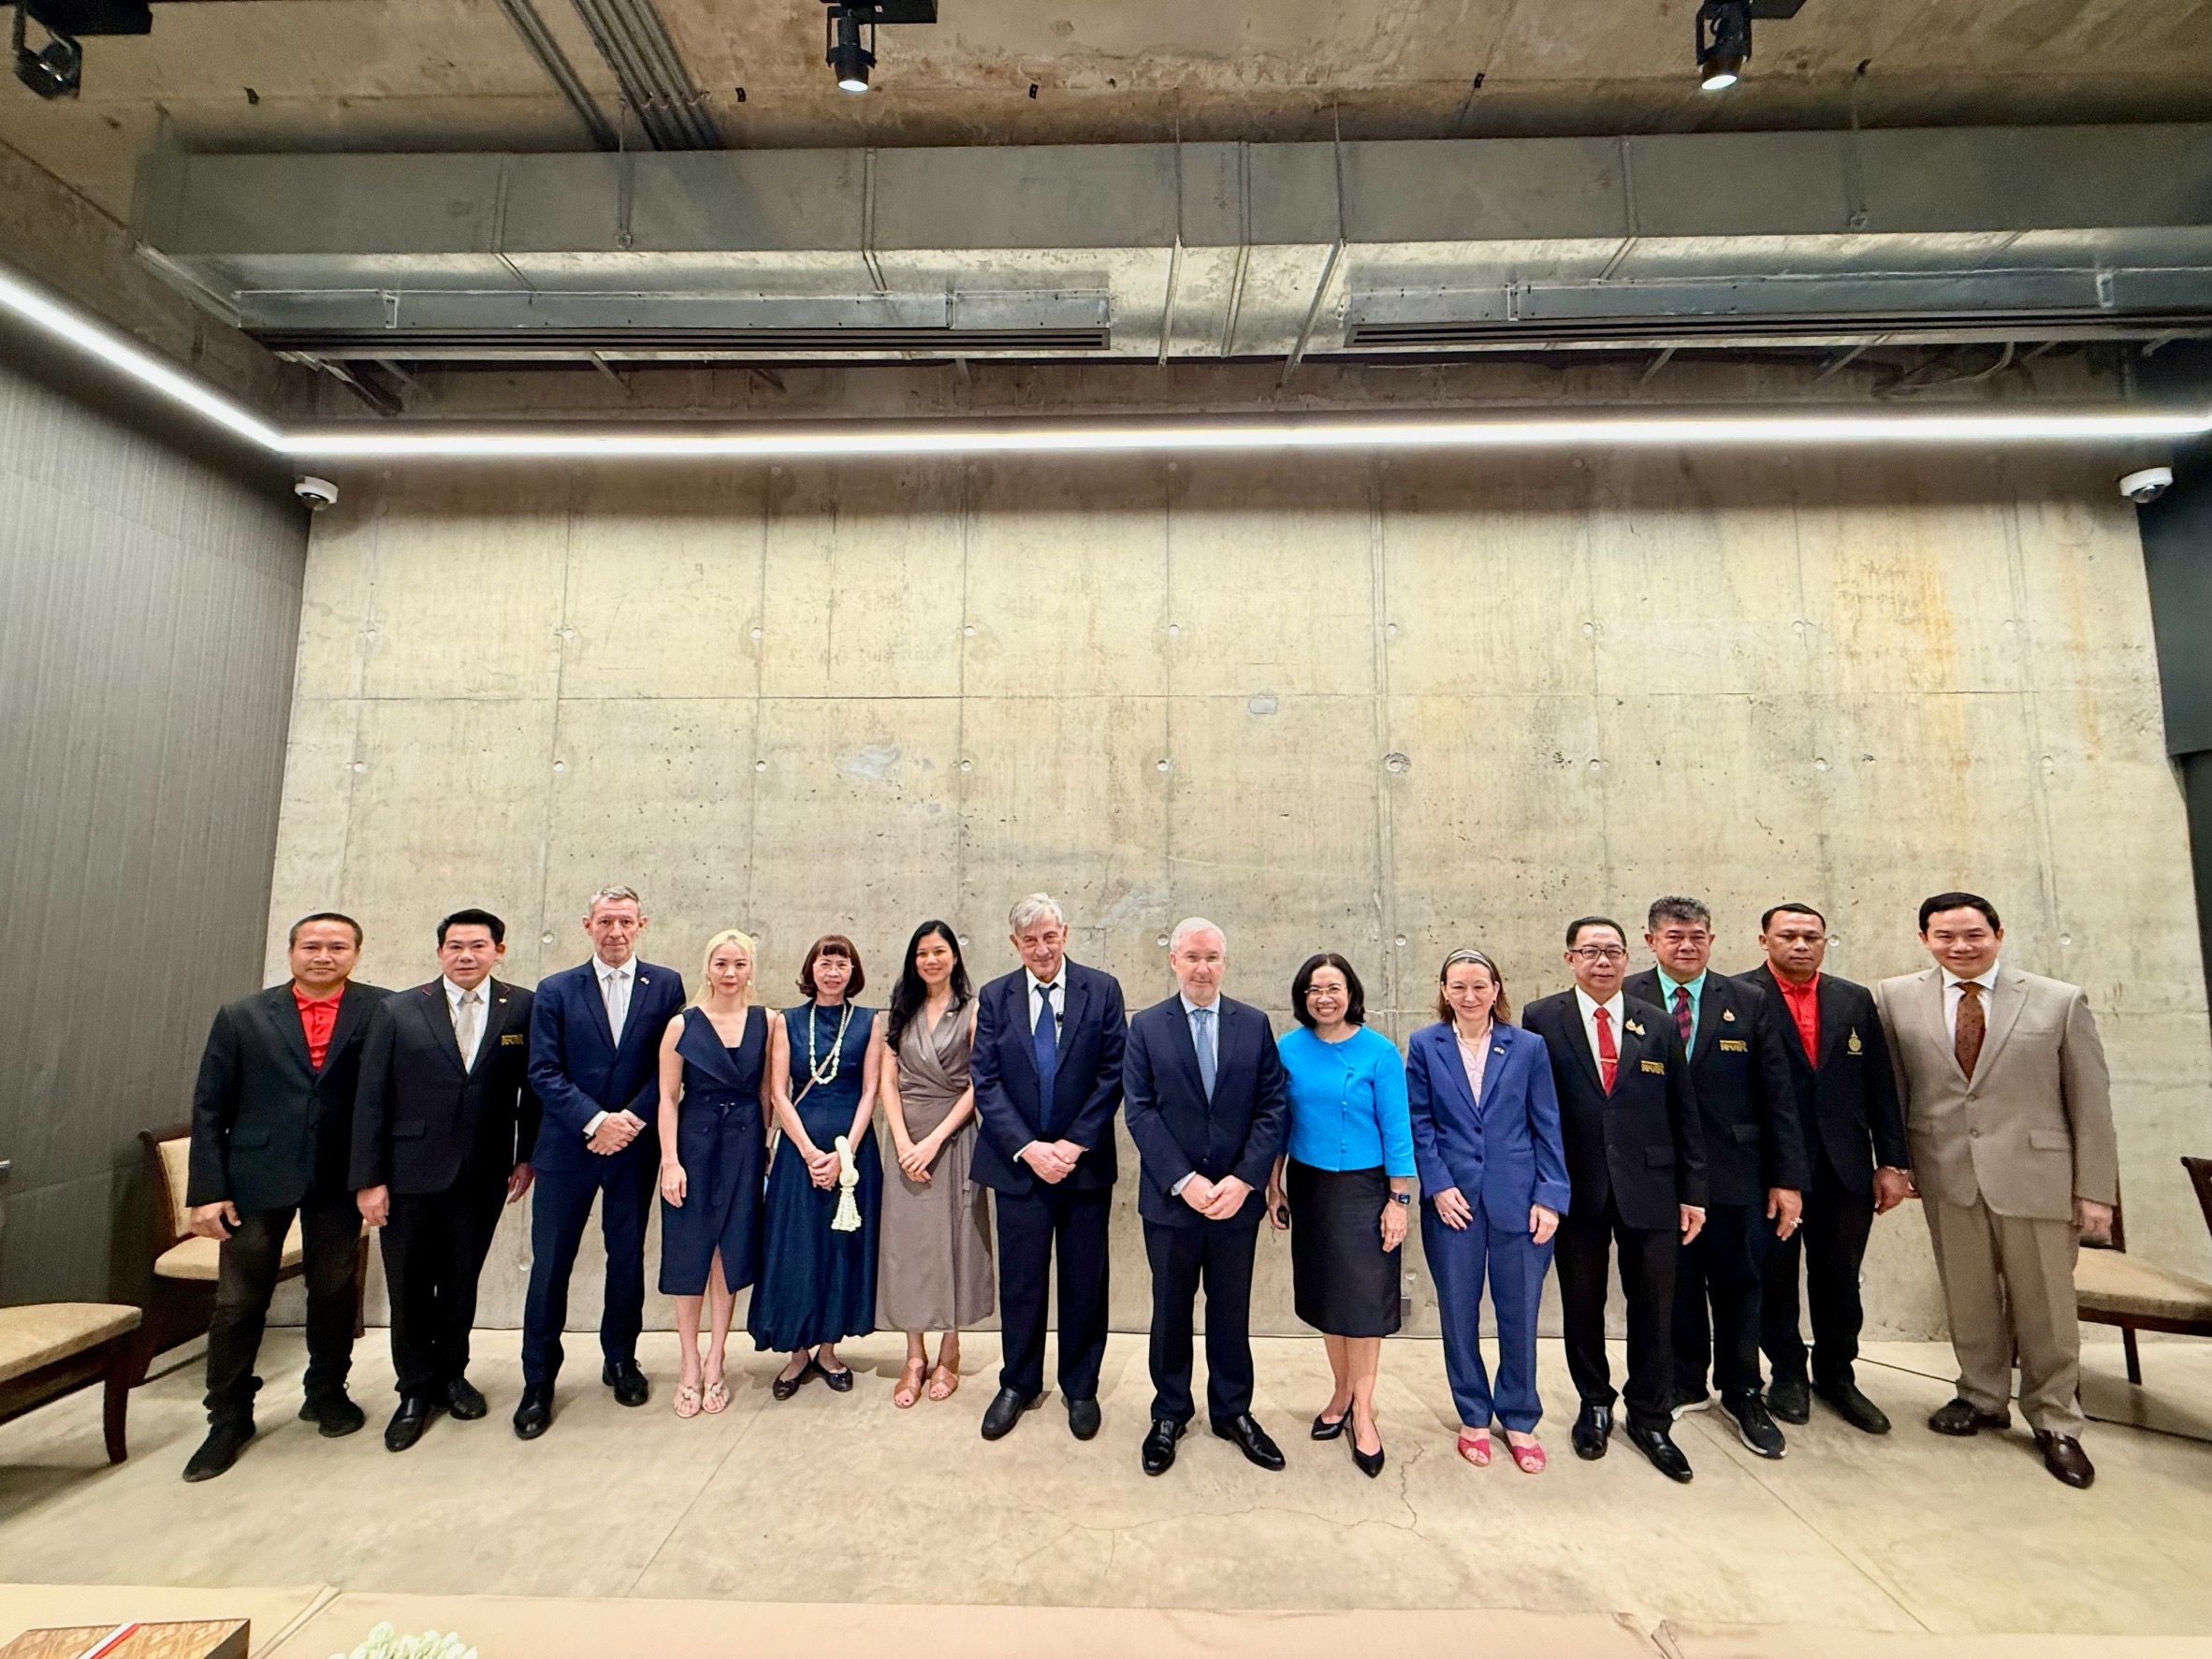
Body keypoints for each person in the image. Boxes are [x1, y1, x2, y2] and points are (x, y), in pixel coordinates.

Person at [1875, 892, 2117, 1490]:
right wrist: (1896, 1164)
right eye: (1945, 936)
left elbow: (2091, 1104)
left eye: (1973, 935)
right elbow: (1893, 1090)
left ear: (1998, 934)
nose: (1960, 946)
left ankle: (2055, 1418)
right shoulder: (1894, 998)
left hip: (2038, 1177)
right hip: (1945, 1171)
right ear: (1925, 939)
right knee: (1969, 1296)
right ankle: (1981, 1396)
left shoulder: (2058, 1000)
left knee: (2046, 1306)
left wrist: (2095, 1191)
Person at [181, 912, 388, 1481]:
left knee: (335, 1289)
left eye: (337, 947)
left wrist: (376, 1175)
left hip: (340, 1178)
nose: (324, 956)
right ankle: (228, 1417)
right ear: (292, 951)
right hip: (256, 1176)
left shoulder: (382, 1009)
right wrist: (208, 1190)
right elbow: (209, 1106)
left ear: (356, 953)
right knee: (239, 1301)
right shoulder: (242, 1015)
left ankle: (326, 1392)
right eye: (312, 946)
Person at [1522, 915, 1707, 1483]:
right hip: (1574, 1187)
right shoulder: (1541, 1019)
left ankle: (1650, 1417)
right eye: (1590, 951)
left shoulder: (1657, 1022)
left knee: (1655, 1304)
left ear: (1629, 958)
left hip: (1651, 1188)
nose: (1602, 961)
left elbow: (1683, 1110)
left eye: (1613, 951)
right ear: (1570, 958)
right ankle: (1594, 1403)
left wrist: (1693, 1192)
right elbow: (1531, 1108)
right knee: (1582, 1302)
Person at [351, 909, 539, 1453]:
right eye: (455, 946)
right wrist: (369, 1179)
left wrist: (526, 1156)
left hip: (483, 1171)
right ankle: (414, 1390)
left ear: (498, 951)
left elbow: (533, 1089)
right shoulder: (399, 1009)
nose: (466, 956)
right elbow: (371, 1097)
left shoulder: (522, 1007)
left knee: (461, 1280)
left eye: (478, 946)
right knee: (410, 1285)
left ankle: (452, 1375)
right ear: (440, 953)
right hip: (407, 1172)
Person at [1624, 896, 1807, 1461]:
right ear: (1651, 941)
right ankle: (1685, 1380)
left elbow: (1778, 1095)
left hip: (1737, 1172)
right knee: (1673, 1283)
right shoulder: (1625, 997)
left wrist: (1787, 1179)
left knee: (1740, 1281)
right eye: (1674, 936)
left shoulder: (1749, 1000)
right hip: (1658, 1172)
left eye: (1697, 936)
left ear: (1711, 939)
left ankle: (1742, 1388)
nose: (1687, 946)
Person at [517, 885, 687, 1438]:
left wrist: (630, 1120)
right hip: (567, 1148)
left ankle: (620, 1359)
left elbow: (669, 1066)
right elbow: (542, 1071)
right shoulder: (555, 989)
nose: (616, 931)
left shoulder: (665, 985)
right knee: (551, 1265)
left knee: (627, 1257)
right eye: (606, 921)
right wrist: (595, 1121)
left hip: (633, 1149)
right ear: (587, 925)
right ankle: (538, 1380)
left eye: (626, 922)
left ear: (642, 925)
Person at [1123, 918, 1290, 1477]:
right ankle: (1169, 1412)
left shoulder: (1253, 1024)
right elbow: (1140, 1111)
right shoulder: (1147, 1026)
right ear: (1173, 961)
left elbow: (1272, 1107)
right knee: (1170, 1310)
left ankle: (1232, 1411)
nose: (1202, 968)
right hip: (1172, 1203)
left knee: (1230, 1310)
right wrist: (1185, 1180)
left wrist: (1244, 1180)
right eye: (1192, 957)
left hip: (1235, 1202)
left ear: (1225, 962)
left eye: (1212, 957)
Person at [1739, 902, 1911, 1434]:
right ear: (1764, 941)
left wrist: (1893, 1162)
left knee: (1839, 1277)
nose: (1801, 945)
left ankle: (1837, 1373)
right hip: (1770, 1168)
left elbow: (1880, 1083)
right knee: (1774, 1276)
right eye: (1788, 935)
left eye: (1812, 936)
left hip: (1845, 1165)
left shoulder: (1853, 999)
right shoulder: (1739, 996)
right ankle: (1787, 1372)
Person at [1404, 949, 1569, 1475]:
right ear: (1444, 991)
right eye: (1459, 986)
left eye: (1480, 986)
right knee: (1458, 1312)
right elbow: (1419, 1122)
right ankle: (1473, 1414)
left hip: (1519, 1200)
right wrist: (1437, 1186)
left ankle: (1519, 1416)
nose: (1470, 996)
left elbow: (1547, 1123)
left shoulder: (1528, 1046)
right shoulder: (1425, 1045)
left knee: (1520, 1312)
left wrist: (1551, 1196)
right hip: (1452, 1203)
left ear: (1496, 989)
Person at [970, 895, 1128, 1443]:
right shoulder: (995, 996)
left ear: (1066, 934)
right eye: (1030, 941)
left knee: (1085, 1281)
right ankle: (1018, 1382)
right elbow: (986, 1080)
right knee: (1022, 1282)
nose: (1042, 949)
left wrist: (1072, 1145)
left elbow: (1113, 1073)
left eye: (1050, 937)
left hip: (1083, 1168)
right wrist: (1030, 1148)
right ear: (1015, 944)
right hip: (1019, 1168)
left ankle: (1080, 1387)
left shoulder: (1102, 990)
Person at [1265, 953, 1413, 1478]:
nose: (1324, 998)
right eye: (1313, 989)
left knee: (1364, 1306)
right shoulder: (1288, 1049)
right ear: (1302, 997)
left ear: (1351, 993)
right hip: (1310, 1188)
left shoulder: (1379, 1052)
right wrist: (1274, 1184)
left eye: (1333, 988)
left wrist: (1398, 1201)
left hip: (1366, 1190)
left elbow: (1398, 1128)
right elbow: (1279, 1123)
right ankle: (1341, 1393)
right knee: (1329, 1298)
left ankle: (1364, 1413)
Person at [749, 935, 885, 1395]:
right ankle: (797, 1352)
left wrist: (846, 1152)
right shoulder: (787, 1021)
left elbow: (870, 1091)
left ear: (853, 972)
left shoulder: (869, 1021)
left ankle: (828, 1349)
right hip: (798, 1153)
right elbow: (778, 1092)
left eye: (842, 964)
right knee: (796, 1249)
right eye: (824, 963)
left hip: (853, 1154)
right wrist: (809, 1153)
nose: (832, 972)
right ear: (811, 970)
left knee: (840, 1249)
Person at [654, 929, 771, 1419]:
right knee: (689, 1252)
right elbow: (666, 1098)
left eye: (739, 964)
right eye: (721, 963)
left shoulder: (768, 1021)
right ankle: (688, 1361)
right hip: (694, 1146)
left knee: (730, 1250)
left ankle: (717, 1356)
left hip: (744, 1146)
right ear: (707, 968)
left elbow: (768, 1094)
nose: (730, 973)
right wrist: (670, 1160)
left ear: (751, 970)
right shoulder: (682, 1025)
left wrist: (766, 1151)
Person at [878, 920, 993, 1408]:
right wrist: (906, 1142)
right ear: (913, 960)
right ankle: (913, 1355)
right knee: (908, 1247)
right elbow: (887, 1081)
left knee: (956, 1240)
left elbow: (979, 1083)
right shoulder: (899, 1011)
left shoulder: (974, 1009)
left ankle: (949, 1350)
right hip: (905, 1138)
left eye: (939, 951)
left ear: (954, 957)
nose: (930, 960)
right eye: (922, 953)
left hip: (954, 1136)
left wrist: (933, 1141)